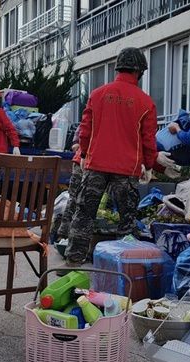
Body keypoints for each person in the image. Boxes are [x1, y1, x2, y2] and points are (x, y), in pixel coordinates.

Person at [64, 47, 159, 267]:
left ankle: (73, 259)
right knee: (127, 219)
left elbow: (85, 129)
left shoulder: (97, 94)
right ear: (139, 71)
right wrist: (149, 165)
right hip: (127, 169)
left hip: (96, 164)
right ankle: (123, 265)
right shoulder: (145, 102)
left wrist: (85, 153)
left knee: (84, 212)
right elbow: (148, 139)